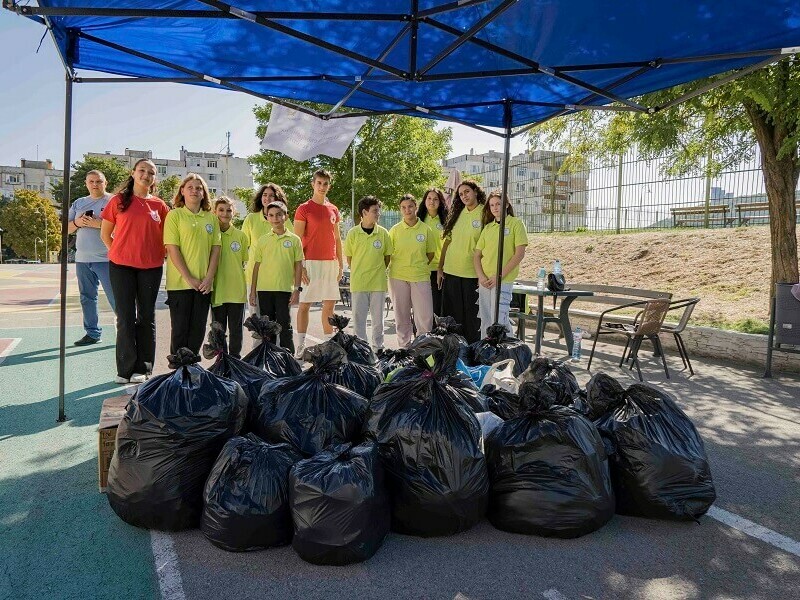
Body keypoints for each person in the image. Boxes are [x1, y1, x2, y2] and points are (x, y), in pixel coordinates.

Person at [100, 159, 169, 384]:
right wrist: (121, 253)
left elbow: (167, 239)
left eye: (151, 172)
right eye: (142, 171)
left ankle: (144, 367)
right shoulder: (118, 201)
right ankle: (125, 368)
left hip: (151, 268)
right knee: (125, 317)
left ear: (154, 178)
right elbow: (105, 235)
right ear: (133, 173)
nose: (146, 175)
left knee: (146, 317)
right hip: (121, 268)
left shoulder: (160, 206)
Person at [163, 173, 221, 355]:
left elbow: (216, 249)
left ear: (204, 193)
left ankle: (192, 367)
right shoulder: (174, 215)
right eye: (190, 187)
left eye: (199, 188)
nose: (195, 191)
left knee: (198, 329)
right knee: (180, 330)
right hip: (180, 284)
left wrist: (209, 278)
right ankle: (179, 370)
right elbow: (173, 249)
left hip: (204, 285)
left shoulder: (211, 218)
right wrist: (189, 278)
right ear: (182, 191)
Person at [293, 169, 343, 357]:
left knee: (329, 306)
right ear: (313, 184)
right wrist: (301, 265)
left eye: (326, 183)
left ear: (329, 186)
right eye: (319, 183)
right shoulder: (303, 208)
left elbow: (337, 238)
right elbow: (296, 240)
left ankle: (329, 346)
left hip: (330, 263)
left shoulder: (334, 209)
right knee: (305, 304)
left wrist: (339, 263)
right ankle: (301, 345)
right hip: (310, 263)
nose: (322, 187)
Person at [68, 170, 116, 346]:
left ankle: (128, 332)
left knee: (115, 298)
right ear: (86, 183)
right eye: (91, 181)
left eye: (99, 181)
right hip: (82, 259)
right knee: (87, 297)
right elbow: (65, 228)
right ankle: (93, 334)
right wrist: (77, 223)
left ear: (106, 182)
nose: (95, 184)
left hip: (107, 259)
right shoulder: (79, 203)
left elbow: (124, 227)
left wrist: (100, 224)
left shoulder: (113, 201)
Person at [249, 200, 303, 352]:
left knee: (284, 325)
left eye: (279, 215)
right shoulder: (263, 240)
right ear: (267, 218)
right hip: (264, 290)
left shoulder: (294, 240)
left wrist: (297, 289)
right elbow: (256, 267)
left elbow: (298, 265)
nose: (275, 218)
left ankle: (288, 359)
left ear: (286, 216)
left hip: (284, 289)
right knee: (268, 327)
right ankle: (270, 358)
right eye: (271, 215)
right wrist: (253, 291)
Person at [474, 190, 528, 339]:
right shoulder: (488, 228)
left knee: (499, 320)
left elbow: (519, 254)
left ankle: (509, 352)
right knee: (486, 319)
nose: (495, 207)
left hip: (503, 280)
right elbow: (477, 255)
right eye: (492, 205)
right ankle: (485, 353)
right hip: (485, 282)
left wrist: (499, 276)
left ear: (506, 204)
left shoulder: (516, 224)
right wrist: (481, 277)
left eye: (498, 204)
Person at [437, 180, 486, 344]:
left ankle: (471, 352)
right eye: (460, 194)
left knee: (471, 318)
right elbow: (447, 242)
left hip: (472, 274)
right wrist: (440, 267)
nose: (464, 196)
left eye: (467, 192)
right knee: (453, 318)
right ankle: (454, 350)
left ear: (475, 191)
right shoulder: (457, 213)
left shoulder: (485, 213)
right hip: (451, 272)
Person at [344, 195, 393, 350]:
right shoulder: (352, 234)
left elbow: (387, 258)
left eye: (378, 210)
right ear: (364, 213)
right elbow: (350, 259)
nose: (378, 214)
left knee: (378, 320)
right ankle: (362, 349)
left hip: (378, 283)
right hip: (359, 282)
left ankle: (378, 348)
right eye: (375, 211)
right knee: (359, 320)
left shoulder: (383, 233)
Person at [388, 194, 437, 347]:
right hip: (397, 277)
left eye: (410, 206)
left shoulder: (425, 229)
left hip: (420, 276)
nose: (407, 210)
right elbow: (388, 254)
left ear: (416, 207)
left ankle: (423, 348)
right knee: (401, 316)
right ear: (400, 210)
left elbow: (430, 254)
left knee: (424, 317)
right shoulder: (395, 231)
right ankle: (404, 348)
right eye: (403, 207)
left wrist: (417, 265)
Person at [211, 197, 249, 358]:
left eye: (228, 210)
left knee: (236, 329)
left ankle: (235, 360)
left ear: (234, 212)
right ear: (214, 212)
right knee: (218, 329)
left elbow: (242, 262)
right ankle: (221, 360)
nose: (225, 214)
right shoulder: (210, 234)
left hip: (236, 291)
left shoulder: (241, 236)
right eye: (221, 210)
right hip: (218, 290)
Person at [242, 183, 293, 294]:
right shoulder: (251, 219)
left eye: (271, 195)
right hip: (254, 277)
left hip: (279, 278)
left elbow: (292, 246)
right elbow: (243, 246)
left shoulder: (285, 220)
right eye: (265, 195)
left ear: (277, 198)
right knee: (256, 311)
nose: (267, 198)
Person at [417, 187, 447, 316]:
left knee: (437, 305)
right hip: (421, 269)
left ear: (440, 202)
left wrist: (441, 267)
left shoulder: (446, 219)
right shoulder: (419, 219)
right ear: (424, 201)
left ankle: (436, 334)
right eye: (429, 198)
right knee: (421, 306)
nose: (432, 201)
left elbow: (448, 245)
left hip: (439, 269)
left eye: (435, 199)